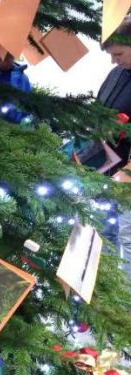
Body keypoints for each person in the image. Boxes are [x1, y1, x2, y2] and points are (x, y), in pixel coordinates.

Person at [99, 17, 131, 270]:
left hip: (127, 176)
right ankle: (105, 301)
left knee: (127, 237)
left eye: (118, 53)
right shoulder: (117, 74)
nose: (114, 60)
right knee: (104, 233)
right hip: (106, 171)